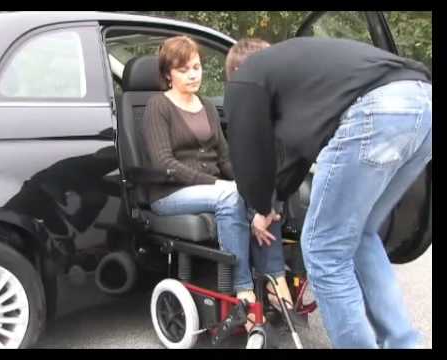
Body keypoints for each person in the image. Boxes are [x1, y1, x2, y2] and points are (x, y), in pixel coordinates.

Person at [224, 37, 431, 348]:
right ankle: (405, 343)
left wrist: (258, 208)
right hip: (422, 103)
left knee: (323, 249)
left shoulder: (245, 78)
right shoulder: (299, 73)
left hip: (375, 111)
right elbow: (298, 156)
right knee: (361, 233)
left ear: (237, 70)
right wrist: (272, 202)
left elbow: (248, 152)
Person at [142, 36, 297, 332]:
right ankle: (244, 291)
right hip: (169, 193)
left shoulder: (208, 108)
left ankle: (277, 281)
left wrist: (250, 186)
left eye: (197, 67)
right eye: (184, 69)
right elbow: (164, 163)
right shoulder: (157, 106)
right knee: (230, 196)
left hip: (214, 189)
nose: (193, 74)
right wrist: (220, 185)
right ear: (167, 74)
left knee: (261, 191)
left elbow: (226, 159)